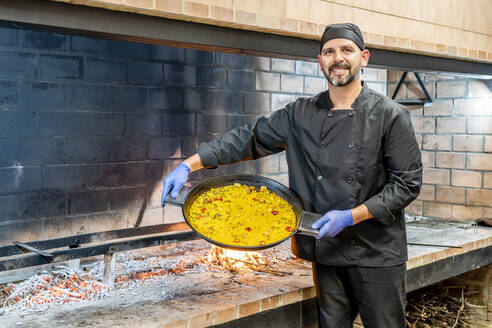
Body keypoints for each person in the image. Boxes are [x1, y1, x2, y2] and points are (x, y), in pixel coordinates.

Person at [161, 22, 422, 328]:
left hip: (377, 254)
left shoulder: (391, 115)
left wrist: (351, 216)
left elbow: (407, 185)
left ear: (363, 58)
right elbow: (248, 138)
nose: (338, 58)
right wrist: (189, 164)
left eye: (346, 50)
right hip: (326, 250)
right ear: (320, 61)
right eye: (329, 51)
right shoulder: (300, 114)